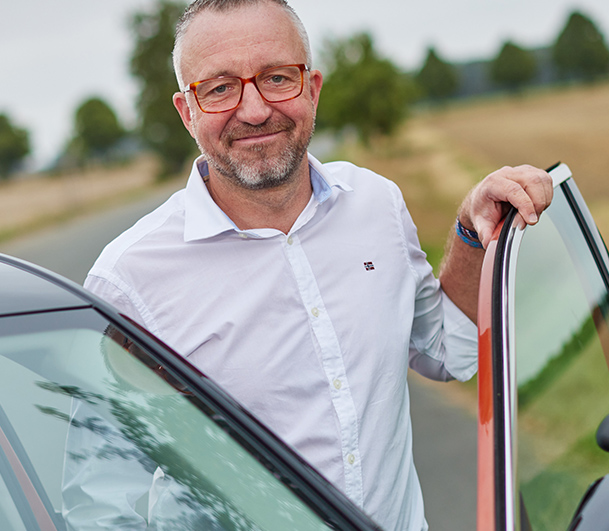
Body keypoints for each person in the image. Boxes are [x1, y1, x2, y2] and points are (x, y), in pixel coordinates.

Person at [74, 0, 553, 529]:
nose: (254, 110)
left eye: (277, 77)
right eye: (219, 88)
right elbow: (101, 502)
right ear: (187, 112)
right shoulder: (130, 279)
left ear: (312, 88)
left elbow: (447, 348)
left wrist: (469, 229)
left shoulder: (376, 205)